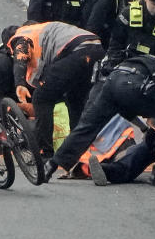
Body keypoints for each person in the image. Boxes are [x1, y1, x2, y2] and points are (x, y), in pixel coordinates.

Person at [46, 54, 155, 186]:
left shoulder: (151, 61)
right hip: (135, 85)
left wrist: (143, 128)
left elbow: (125, 108)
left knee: (87, 127)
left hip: (113, 81)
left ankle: (52, 164)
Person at [10, 21, 105, 158]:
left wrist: (20, 83)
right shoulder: (43, 32)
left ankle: (45, 152)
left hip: (77, 50)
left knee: (41, 98)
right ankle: (78, 152)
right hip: (95, 47)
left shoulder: (22, 35)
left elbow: (20, 55)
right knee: (75, 100)